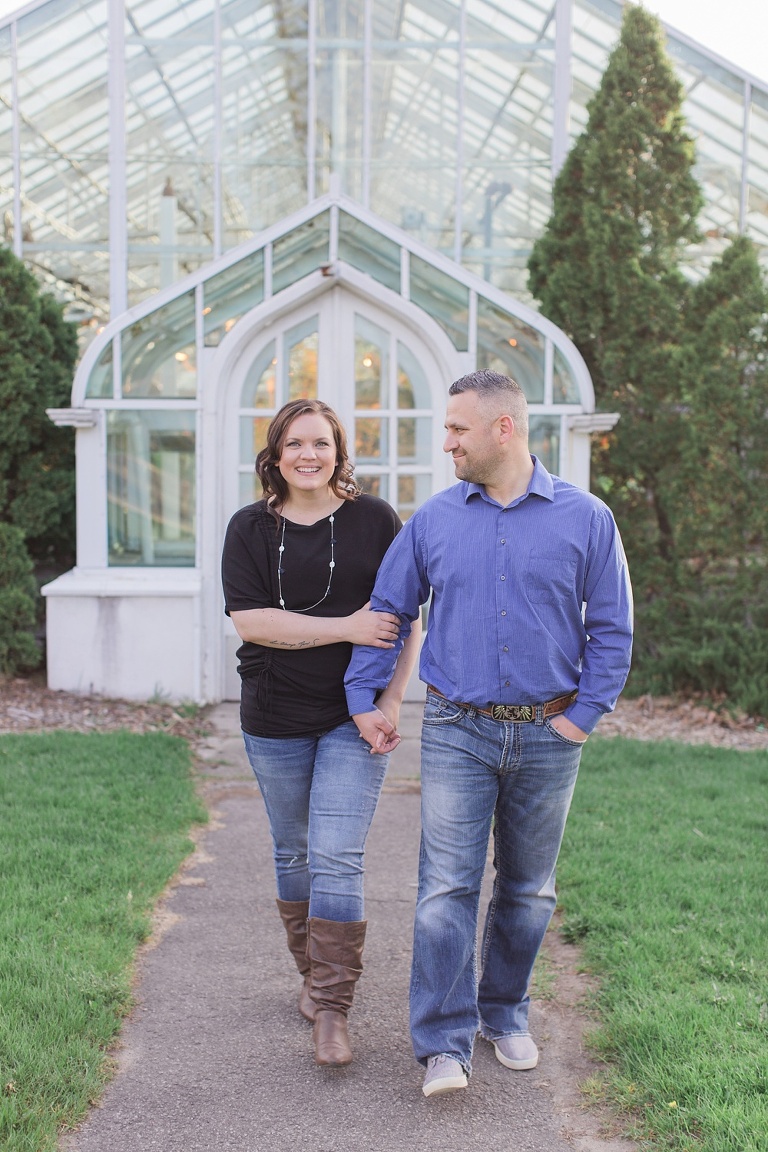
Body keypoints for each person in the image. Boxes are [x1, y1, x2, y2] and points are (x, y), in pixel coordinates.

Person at [344, 370, 633, 1097]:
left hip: (549, 731)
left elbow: (612, 628)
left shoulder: (587, 518)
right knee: (446, 887)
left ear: (503, 429)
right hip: (456, 728)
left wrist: (582, 716)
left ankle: (504, 1013)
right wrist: (362, 696)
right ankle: (444, 1042)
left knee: (529, 890)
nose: (446, 443)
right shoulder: (435, 520)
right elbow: (389, 611)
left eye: (456, 429)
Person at [221, 398, 420, 1069]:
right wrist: (345, 628)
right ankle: (310, 980)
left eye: (322, 443)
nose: (309, 455)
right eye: (295, 444)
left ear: (340, 451)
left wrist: (392, 698)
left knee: (337, 853)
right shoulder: (248, 528)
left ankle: (332, 1008)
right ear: (275, 456)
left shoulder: (375, 520)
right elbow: (251, 622)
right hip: (273, 715)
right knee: (293, 850)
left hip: (352, 715)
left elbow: (403, 619)